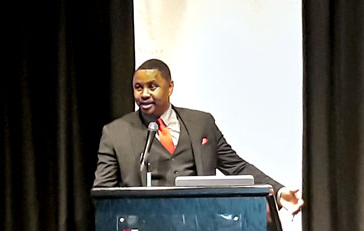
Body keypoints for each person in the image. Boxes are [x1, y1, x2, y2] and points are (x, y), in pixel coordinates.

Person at [93, 59, 305, 214]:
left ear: (170, 87)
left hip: (200, 230)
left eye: (152, 86)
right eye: (138, 88)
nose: (144, 94)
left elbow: (236, 167)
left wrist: (277, 192)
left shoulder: (201, 124)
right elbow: (102, 193)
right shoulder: (115, 134)